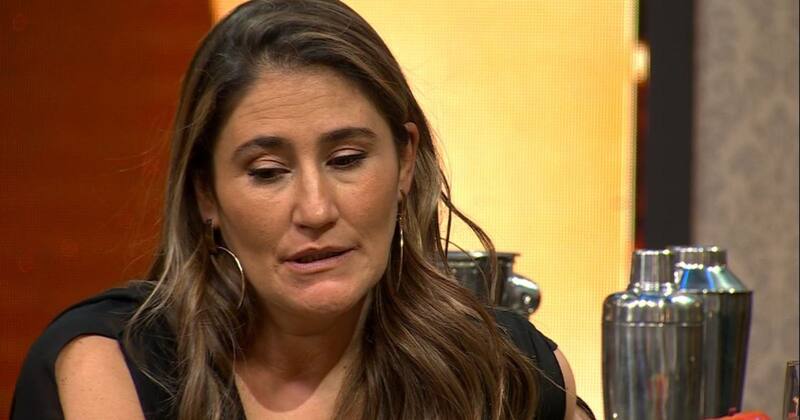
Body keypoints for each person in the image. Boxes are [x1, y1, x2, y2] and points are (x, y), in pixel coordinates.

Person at [11, 1, 595, 419]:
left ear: (405, 161)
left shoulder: (510, 374)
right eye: (268, 172)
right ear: (206, 193)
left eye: (346, 160)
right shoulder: (114, 368)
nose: (315, 209)